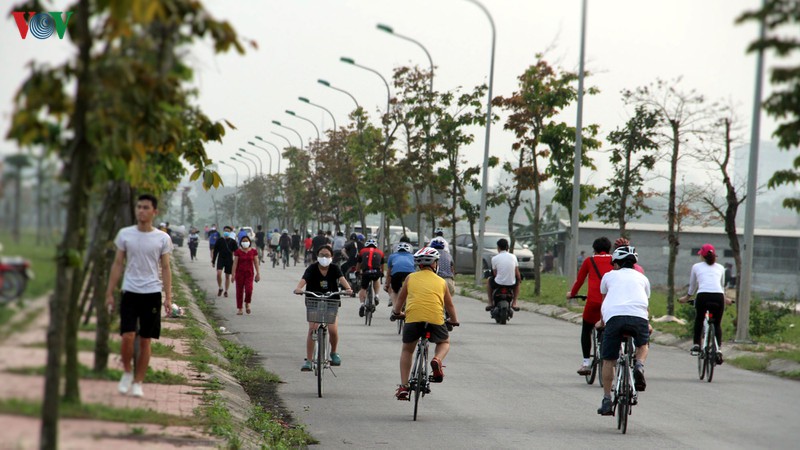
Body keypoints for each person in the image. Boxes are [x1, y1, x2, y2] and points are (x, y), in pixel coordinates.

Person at [105, 194, 173, 398]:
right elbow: (118, 264)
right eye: (139, 207)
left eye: (146, 207)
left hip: (152, 293)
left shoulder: (162, 238)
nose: (141, 211)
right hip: (130, 291)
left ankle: (138, 381)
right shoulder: (125, 234)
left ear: (154, 212)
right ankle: (127, 372)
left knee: (145, 340)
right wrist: (109, 292)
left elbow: (166, 267)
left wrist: (168, 297)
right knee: (127, 336)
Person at [391, 247, 459, 400]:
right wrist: (454, 320)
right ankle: (437, 360)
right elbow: (450, 306)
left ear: (418, 265)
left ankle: (403, 386)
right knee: (444, 342)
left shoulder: (410, 278)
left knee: (408, 350)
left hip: (413, 318)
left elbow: (400, 300)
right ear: (435, 264)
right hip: (435, 319)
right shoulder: (442, 282)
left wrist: (396, 313)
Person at [596, 245, 651, 416]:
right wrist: (647, 323)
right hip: (639, 317)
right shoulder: (643, 278)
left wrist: (601, 322)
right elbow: (644, 303)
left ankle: (606, 399)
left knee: (609, 360)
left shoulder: (608, 276)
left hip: (614, 318)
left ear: (616, 263)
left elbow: (605, 302)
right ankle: (639, 365)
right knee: (643, 345)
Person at [293, 245, 353, 370]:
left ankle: (333, 353)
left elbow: (342, 279)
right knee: (312, 329)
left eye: (327, 255)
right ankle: (309, 360)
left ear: (331, 257)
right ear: (317, 256)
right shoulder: (312, 268)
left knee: (332, 329)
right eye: (321, 255)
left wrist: (348, 288)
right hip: (313, 300)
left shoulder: (335, 268)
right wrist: (299, 288)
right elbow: (304, 279)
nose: (324, 257)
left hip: (331, 301)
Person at [567, 237, 613, 376]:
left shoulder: (589, 261)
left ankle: (586, 363)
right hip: (611, 303)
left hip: (593, 303)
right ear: (609, 249)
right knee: (612, 329)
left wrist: (572, 294)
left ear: (594, 249)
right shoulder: (615, 260)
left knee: (586, 329)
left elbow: (580, 280)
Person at [678, 244, 732, 362]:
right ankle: (718, 350)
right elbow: (721, 287)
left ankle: (697, 345)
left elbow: (693, 286)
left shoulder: (696, 267)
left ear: (702, 256)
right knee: (717, 324)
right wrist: (726, 299)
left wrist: (687, 297)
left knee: (699, 319)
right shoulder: (721, 267)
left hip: (703, 296)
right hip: (718, 297)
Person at [486, 238, 521, 311]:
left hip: (498, 283)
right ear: (507, 247)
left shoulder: (494, 258)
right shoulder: (513, 257)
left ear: (498, 247)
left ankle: (490, 302)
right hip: (511, 283)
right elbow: (517, 272)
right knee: (517, 283)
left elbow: (495, 274)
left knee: (489, 280)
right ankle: (514, 303)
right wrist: (519, 279)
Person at [231, 235, 260, 315]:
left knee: (249, 290)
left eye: (246, 241)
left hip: (249, 274)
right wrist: (233, 274)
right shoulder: (238, 252)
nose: (245, 242)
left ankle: (247, 303)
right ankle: (240, 308)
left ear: (249, 242)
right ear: (241, 242)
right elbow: (235, 263)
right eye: (243, 241)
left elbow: (256, 262)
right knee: (239, 291)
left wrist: (258, 273)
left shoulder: (253, 251)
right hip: (239, 274)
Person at [357, 238, 385, 317]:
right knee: (376, 280)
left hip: (366, 272)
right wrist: (382, 272)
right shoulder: (380, 252)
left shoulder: (362, 251)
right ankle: (376, 295)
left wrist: (357, 271)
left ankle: (362, 304)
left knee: (363, 288)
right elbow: (382, 265)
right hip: (376, 272)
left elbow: (359, 263)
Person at [385, 242, 415, 308]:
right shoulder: (413, 256)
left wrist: (387, 284)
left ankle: (395, 309)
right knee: (411, 291)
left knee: (395, 292)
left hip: (397, 274)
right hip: (410, 274)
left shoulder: (392, 256)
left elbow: (389, 273)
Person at [212, 226, 238, 297]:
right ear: (223, 231)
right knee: (218, 273)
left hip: (229, 260)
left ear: (230, 232)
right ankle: (220, 287)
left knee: (227, 276)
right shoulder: (219, 240)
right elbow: (215, 251)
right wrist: (213, 261)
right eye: (225, 230)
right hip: (221, 258)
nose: (226, 232)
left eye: (228, 231)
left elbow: (237, 253)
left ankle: (226, 291)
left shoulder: (233, 242)